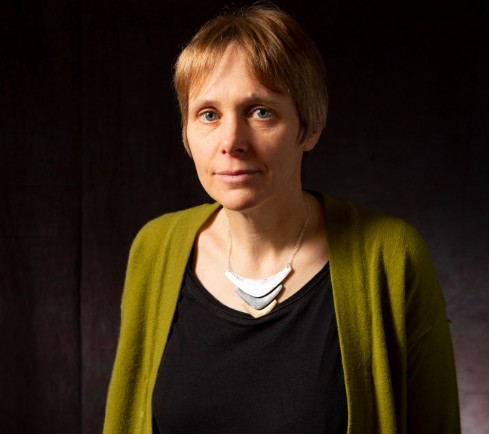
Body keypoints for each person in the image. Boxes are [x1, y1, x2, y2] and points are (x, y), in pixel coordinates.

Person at [103, 3, 461, 433]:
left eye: (261, 112)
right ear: (186, 132)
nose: (231, 141)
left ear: (308, 128)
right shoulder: (155, 248)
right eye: (209, 115)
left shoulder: (391, 256)